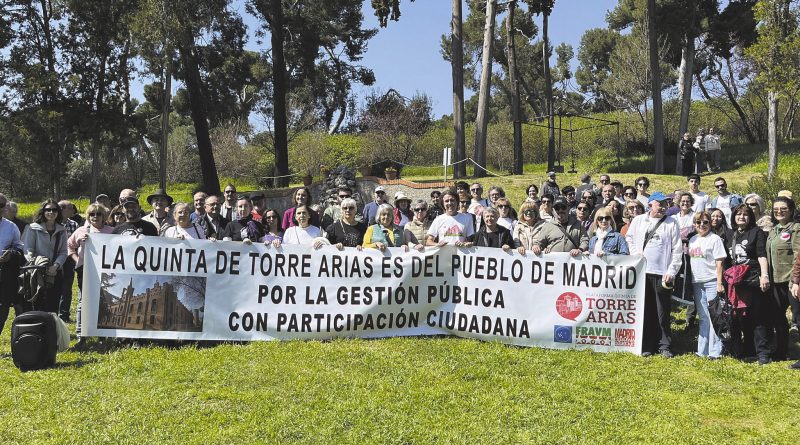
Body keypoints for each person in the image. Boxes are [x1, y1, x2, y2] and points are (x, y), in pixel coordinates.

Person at [625, 192, 682, 358]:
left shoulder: (671, 223)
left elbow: (677, 250)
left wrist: (671, 271)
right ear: (651, 205)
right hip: (642, 271)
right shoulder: (638, 220)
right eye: (660, 204)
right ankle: (646, 344)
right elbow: (629, 238)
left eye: (666, 204)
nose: (664, 207)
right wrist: (635, 253)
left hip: (661, 273)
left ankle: (664, 345)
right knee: (645, 309)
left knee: (662, 310)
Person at [727, 203, 771, 364]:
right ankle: (748, 350)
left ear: (750, 217)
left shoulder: (756, 232)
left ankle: (763, 353)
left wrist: (764, 275)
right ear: (734, 217)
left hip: (753, 278)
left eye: (745, 214)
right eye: (738, 214)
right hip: (737, 281)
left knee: (758, 317)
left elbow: (761, 254)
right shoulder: (731, 234)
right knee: (741, 317)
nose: (741, 217)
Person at [67, 203, 113, 342]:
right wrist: (77, 261)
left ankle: (101, 335)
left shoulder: (112, 231)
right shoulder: (81, 230)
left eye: (98, 214)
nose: (95, 217)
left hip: (105, 271)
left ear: (103, 216)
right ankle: (82, 335)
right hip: (85, 270)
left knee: (103, 301)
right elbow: (69, 246)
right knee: (83, 302)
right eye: (92, 214)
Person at [687, 211, 727, 359]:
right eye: (699, 223)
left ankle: (715, 352)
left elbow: (720, 262)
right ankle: (702, 350)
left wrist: (719, 282)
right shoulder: (692, 240)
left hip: (711, 281)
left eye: (705, 222)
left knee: (714, 317)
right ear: (694, 224)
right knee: (703, 317)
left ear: (710, 223)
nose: (702, 225)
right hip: (697, 282)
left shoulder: (715, 239)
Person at [765, 196, 800, 361]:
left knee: (798, 318)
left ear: (791, 210)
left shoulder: (795, 229)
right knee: (778, 317)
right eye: (776, 209)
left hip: (791, 282)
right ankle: (781, 351)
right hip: (775, 282)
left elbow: (798, 256)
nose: (779, 211)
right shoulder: (774, 230)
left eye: (783, 209)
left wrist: (796, 281)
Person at [23, 200, 69, 313]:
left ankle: (50, 329)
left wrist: (55, 266)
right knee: (37, 306)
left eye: (54, 210)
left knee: (52, 307)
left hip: (55, 273)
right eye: (48, 210)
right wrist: (36, 263)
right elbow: (28, 249)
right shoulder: (33, 228)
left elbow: (63, 252)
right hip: (36, 273)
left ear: (58, 212)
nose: (51, 212)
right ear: (43, 212)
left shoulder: (62, 230)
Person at [0, 193, 24, 335]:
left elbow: (19, 247)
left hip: (4, 274)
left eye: (2, 205)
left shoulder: (11, 227)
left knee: (2, 311)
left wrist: (11, 254)